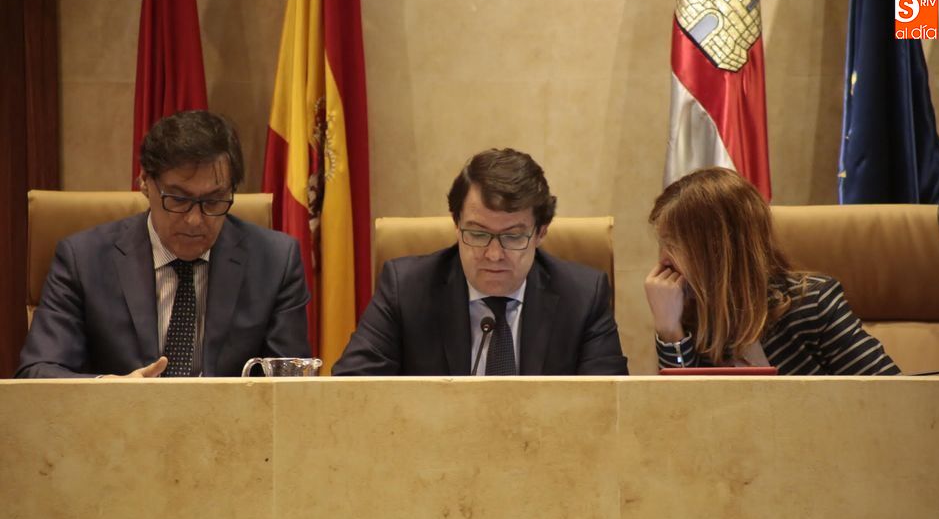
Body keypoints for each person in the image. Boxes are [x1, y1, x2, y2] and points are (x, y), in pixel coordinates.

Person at [16, 110, 310, 378]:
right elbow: (38, 372)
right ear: (145, 182)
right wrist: (107, 388)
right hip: (120, 430)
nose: (195, 220)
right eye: (179, 199)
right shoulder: (83, 260)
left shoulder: (276, 262)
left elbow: (288, 385)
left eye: (213, 200)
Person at [333, 148, 628, 375]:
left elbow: (609, 410)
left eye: (513, 237)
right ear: (456, 225)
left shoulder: (583, 297)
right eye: (477, 233)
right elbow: (353, 392)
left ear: (540, 233)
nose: (493, 254)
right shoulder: (406, 289)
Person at [644, 167, 900, 375]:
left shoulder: (811, 303)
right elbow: (681, 417)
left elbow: (887, 395)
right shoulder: (688, 316)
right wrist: (670, 333)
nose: (663, 260)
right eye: (662, 245)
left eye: (674, 245)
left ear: (718, 251)